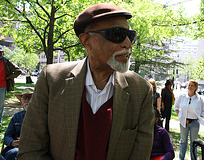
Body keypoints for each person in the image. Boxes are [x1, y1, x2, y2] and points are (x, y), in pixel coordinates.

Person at [17, 3, 154, 160]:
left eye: (130, 36)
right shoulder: (52, 80)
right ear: (86, 41)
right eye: (117, 34)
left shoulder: (141, 90)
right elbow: (30, 150)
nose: (128, 44)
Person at [174, 80, 204, 160]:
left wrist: (199, 119)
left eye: (192, 85)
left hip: (194, 122)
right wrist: (180, 116)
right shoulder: (182, 96)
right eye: (189, 85)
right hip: (184, 121)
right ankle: (181, 158)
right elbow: (176, 107)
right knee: (183, 140)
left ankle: (193, 158)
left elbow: (203, 111)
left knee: (193, 142)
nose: (190, 87)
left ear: (195, 88)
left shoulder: (199, 98)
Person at [2, 88, 33, 160]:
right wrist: (12, 142)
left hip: (33, 148)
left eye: (30, 98)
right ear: (21, 101)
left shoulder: (41, 116)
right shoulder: (17, 116)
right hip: (15, 148)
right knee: (12, 153)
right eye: (24, 98)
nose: (27, 101)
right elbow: (7, 136)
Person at [0, 45, 22, 125]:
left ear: (3, 53)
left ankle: (0, 121)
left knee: (0, 105)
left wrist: (9, 77)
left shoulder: (7, 62)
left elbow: (18, 71)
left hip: (2, 86)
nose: (0, 54)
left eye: (1, 53)